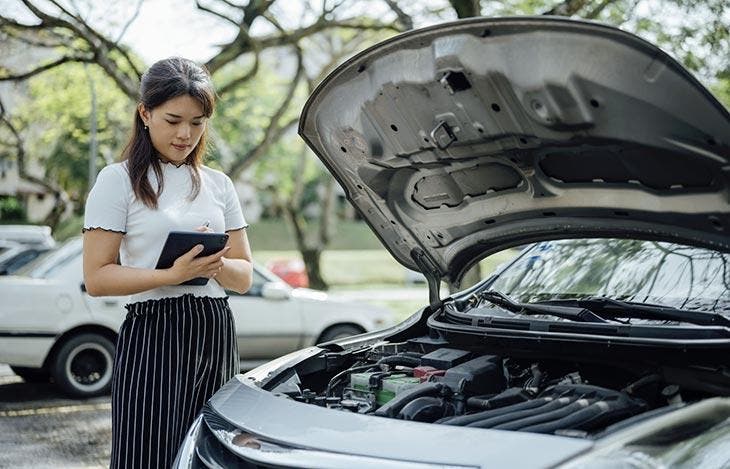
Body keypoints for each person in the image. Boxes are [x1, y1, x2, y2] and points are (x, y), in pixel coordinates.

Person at [82, 57, 252, 469]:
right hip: (155, 331)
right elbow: (97, 277)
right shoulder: (116, 180)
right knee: (147, 453)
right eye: (174, 119)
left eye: (197, 122)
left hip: (214, 329)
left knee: (210, 454)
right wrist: (172, 275)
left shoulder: (218, 184)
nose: (185, 133)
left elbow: (244, 275)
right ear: (145, 113)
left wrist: (213, 267)